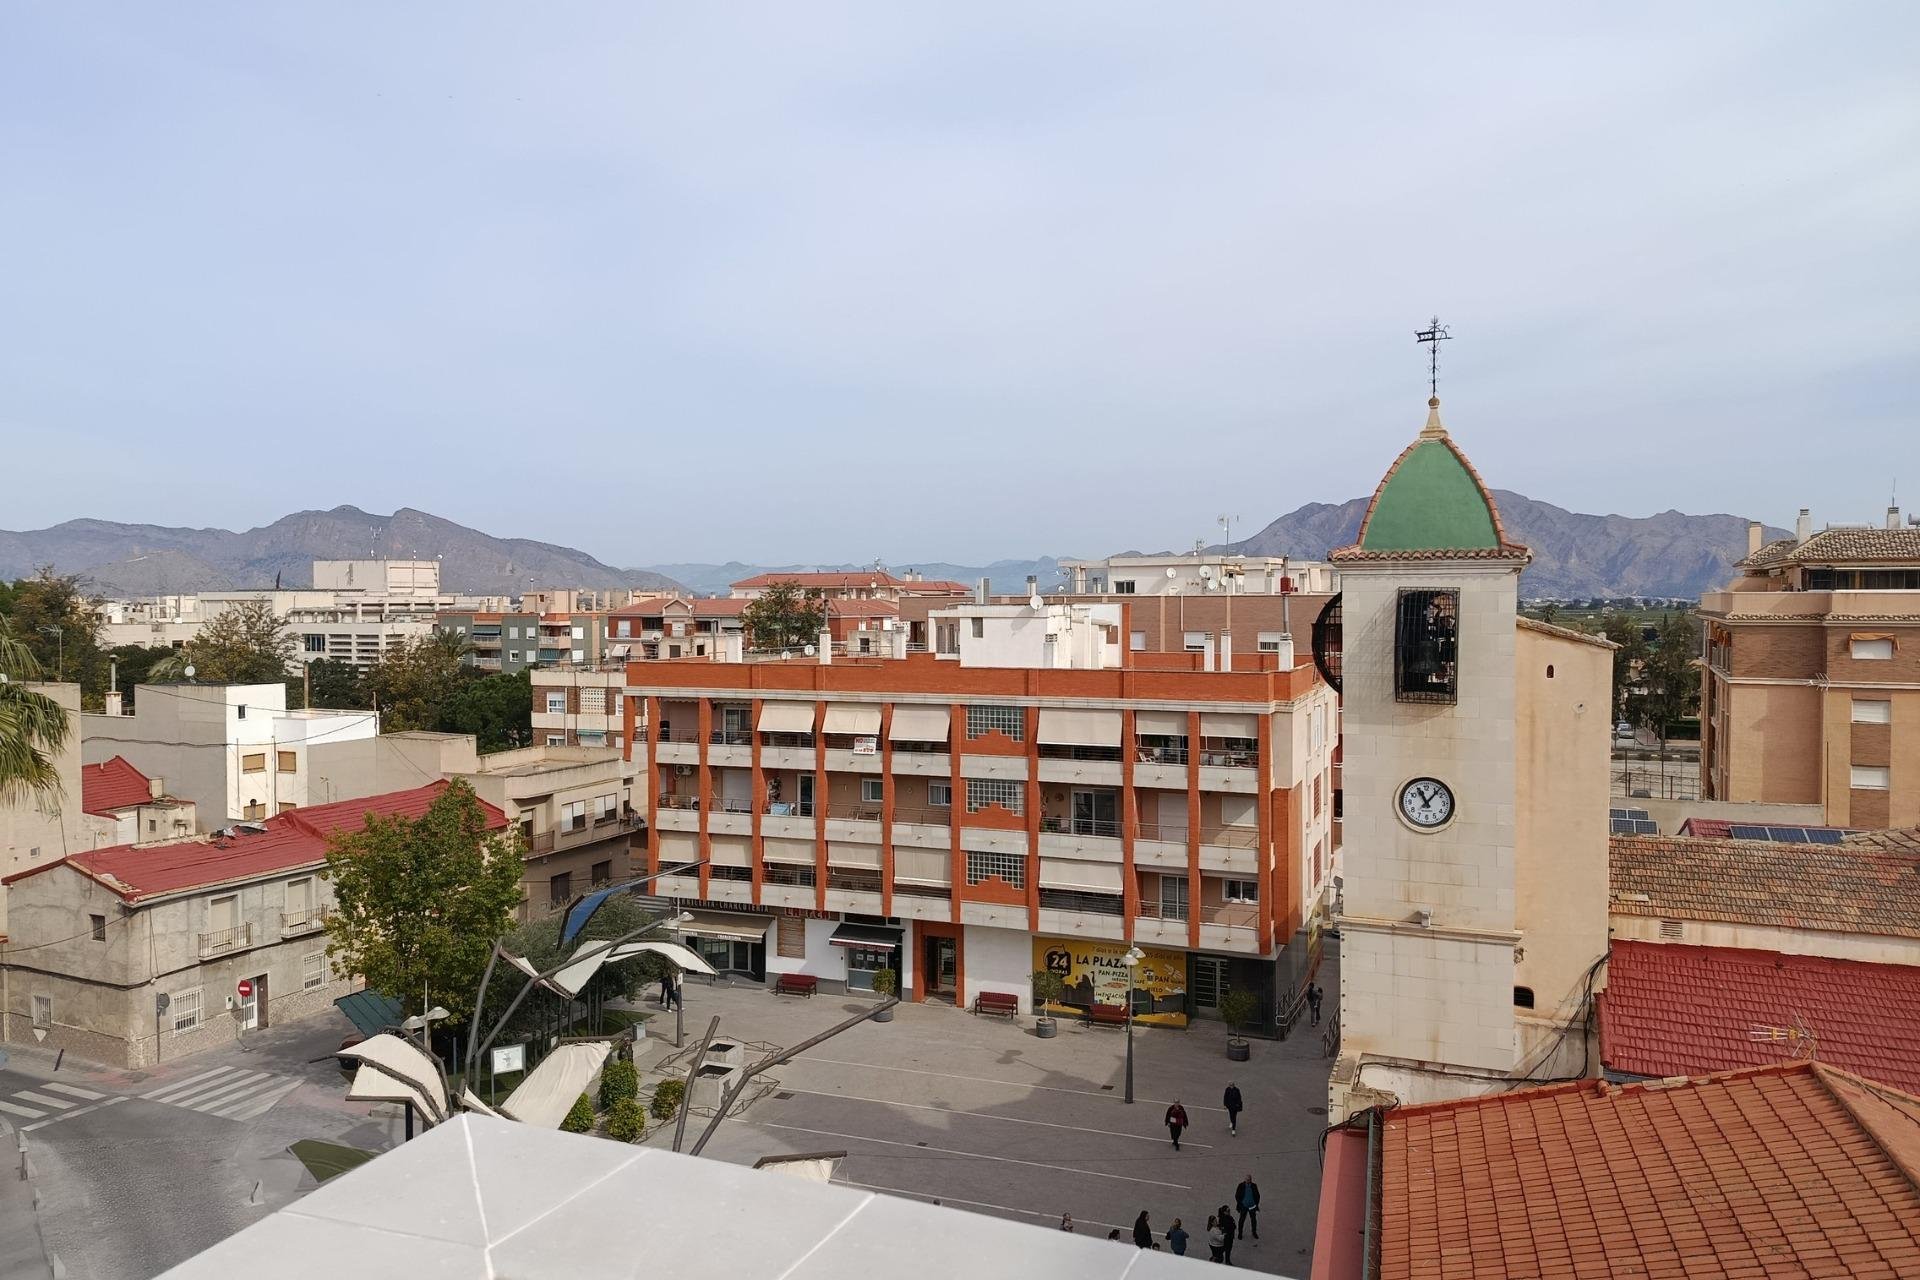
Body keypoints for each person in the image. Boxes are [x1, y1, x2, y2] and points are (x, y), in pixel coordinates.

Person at [1236, 1173, 1262, 1240]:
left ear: (1251, 1180)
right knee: (1241, 1220)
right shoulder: (1241, 1185)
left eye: (1249, 1179)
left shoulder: (1254, 1186)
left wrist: (1256, 1204)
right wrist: (1240, 1203)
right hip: (1244, 1206)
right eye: (1247, 1179)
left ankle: (1254, 1232)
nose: (1248, 1181)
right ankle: (1240, 1233)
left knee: (1253, 1220)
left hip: (1252, 1206)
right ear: (1245, 1180)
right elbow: (1237, 1195)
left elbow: (1257, 1195)